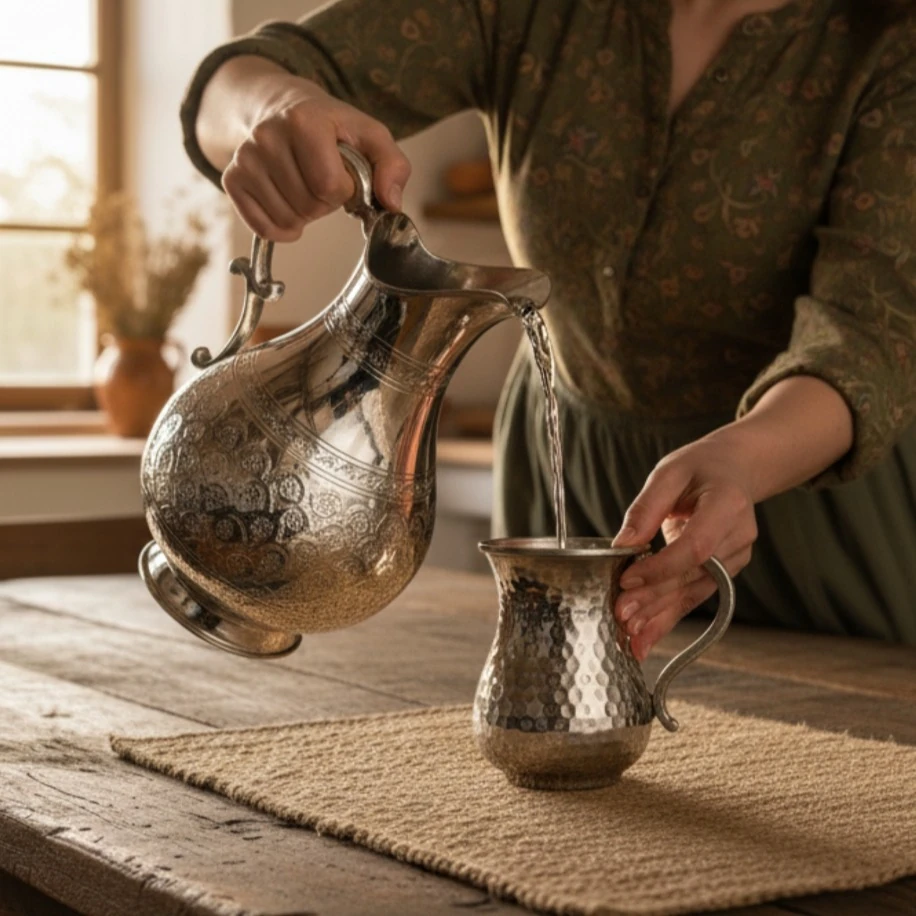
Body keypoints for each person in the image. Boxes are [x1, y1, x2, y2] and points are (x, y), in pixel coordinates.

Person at [182, 0, 916, 656]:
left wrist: (746, 460)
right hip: (566, 474)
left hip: (809, 501)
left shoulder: (891, 42)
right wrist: (278, 111)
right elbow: (235, 82)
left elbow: (868, 337)